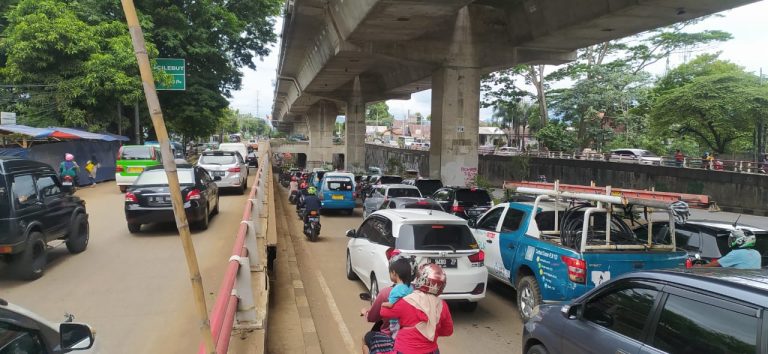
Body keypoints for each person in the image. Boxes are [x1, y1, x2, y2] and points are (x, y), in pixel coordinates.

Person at [379, 263, 454, 354]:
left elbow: (384, 313)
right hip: (431, 351)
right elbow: (448, 331)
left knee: (368, 344)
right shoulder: (442, 305)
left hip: (405, 350)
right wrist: (429, 330)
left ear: (420, 279)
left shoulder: (407, 300)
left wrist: (387, 303)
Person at [381, 258, 414, 339]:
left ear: (394, 273)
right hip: (408, 320)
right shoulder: (410, 287)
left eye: (390, 273)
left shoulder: (395, 290)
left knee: (395, 337)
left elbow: (390, 305)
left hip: (396, 321)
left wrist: (382, 304)